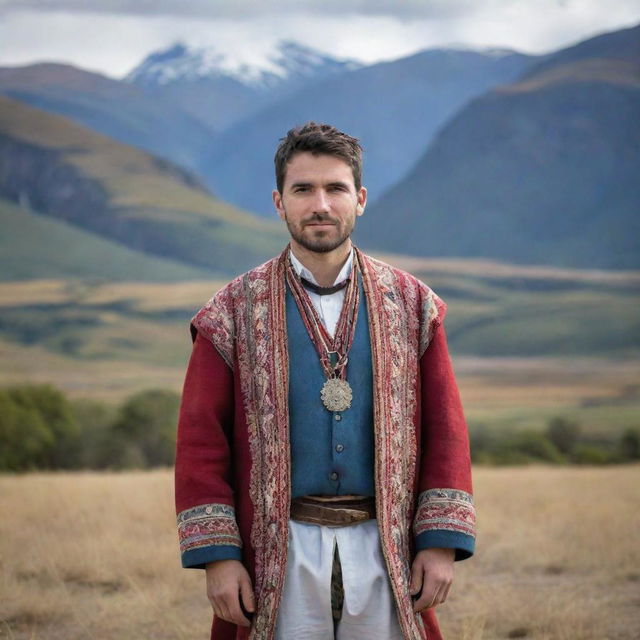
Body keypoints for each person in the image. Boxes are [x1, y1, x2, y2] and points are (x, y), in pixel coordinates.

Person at [175, 122, 476, 640]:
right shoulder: (230, 312)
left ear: (359, 198)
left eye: (335, 188)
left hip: (387, 548)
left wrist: (439, 543)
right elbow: (201, 442)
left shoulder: (413, 305)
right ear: (278, 201)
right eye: (303, 189)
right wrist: (219, 560)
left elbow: (446, 433)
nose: (321, 204)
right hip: (276, 552)